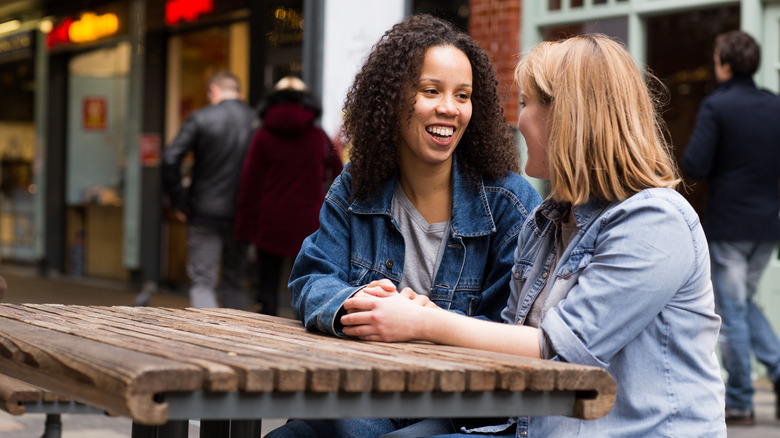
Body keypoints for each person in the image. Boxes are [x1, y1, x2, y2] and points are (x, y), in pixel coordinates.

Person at [340, 34, 727, 437]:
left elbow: (563, 353)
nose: (516, 119)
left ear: (568, 116)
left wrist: (424, 323)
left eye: (525, 104)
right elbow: (509, 355)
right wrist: (420, 313)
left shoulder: (654, 222)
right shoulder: (546, 222)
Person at [266, 14, 542, 438]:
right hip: (368, 387)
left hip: (460, 407)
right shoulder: (359, 186)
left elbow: (512, 333)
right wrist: (359, 303)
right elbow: (311, 277)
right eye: (431, 91)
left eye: (463, 95)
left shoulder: (509, 202)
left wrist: (422, 324)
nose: (449, 108)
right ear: (393, 99)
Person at [682, 30, 780, 425]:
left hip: (729, 226)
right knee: (743, 305)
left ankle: (740, 399)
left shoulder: (716, 106)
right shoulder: (775, 106)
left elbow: (695, 165)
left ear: (724, 64)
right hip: (767, 226)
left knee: (732, 313)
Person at [235, 76, 343, 316]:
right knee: (306, 287)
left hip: (270, 221)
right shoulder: (318, 136)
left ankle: (265, 339)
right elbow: (340, 175)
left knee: (267, 289)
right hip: (309, 223)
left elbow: (249, 185)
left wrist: (244, 230)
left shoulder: (262, 136)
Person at [162, 71, 255, 309]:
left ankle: (205, 339)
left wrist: (179, 202)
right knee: (234, 281)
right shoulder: (256, 121)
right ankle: (235, 339)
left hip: (203, 211)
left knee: (203, 282)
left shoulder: (200, 118)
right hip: (243, 212)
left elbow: (171, 158)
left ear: (213, 91)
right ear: (240, 94)